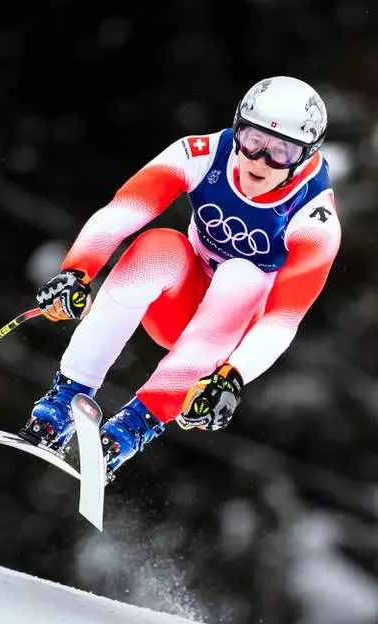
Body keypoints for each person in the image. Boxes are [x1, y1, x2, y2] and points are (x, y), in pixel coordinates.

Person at [22, 75, 342, 481]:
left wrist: (232, 377)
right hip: (176, 306)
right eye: (252, 140)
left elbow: (282, 320)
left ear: (305, 156)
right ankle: (66, 398)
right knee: (158, 244)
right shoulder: (203, 153)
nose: (260, 161)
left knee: (241, 276)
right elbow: (124, 210)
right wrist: (76, 271)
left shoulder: (315, 218)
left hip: (228, 336)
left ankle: (133, 428)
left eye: (282, 152)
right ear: (237, 127)